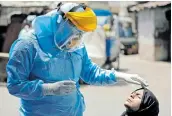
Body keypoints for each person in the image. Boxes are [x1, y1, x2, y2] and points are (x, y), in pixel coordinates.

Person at [6, 2, 148, 116]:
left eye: (82, 34)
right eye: (75, 31)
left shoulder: (75, 47)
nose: (78, 38)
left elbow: (90, 73)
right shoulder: (27, 46)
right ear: (60, 22)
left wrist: (119, 75)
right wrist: (47, 89)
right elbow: (15, 85)